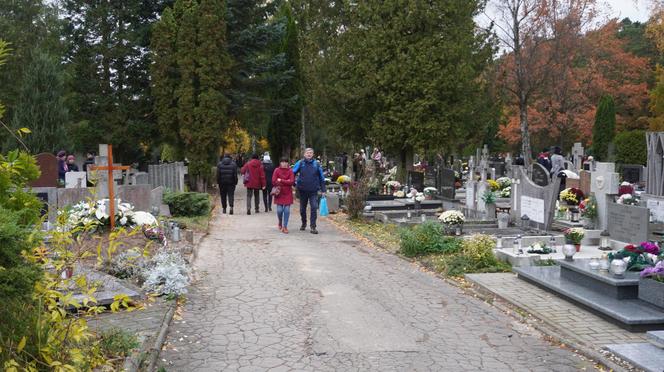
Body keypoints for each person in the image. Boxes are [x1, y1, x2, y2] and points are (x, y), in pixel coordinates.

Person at [293, 148, 325, 234]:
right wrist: (293, 184)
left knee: (314, 207)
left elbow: (322, 178)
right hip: (302, 190)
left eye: (311, 153)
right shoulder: (300, 163)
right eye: (307, 153)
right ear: (304, 154)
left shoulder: (317, 164)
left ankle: (313, 227)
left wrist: (323, 190)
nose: (309, 154)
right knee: (302, 209)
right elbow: (292, 173)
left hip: (313, 190)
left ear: (313, 154)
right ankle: (304, 223)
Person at [272, 157, 295, 233]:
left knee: (287, 210)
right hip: (279, 193)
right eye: (282, 162)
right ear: (280, 163)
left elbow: (291, 182)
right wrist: (286, 181)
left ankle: (285, 227)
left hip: (288, 193)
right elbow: (274, 181)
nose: (284, 164)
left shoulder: (290, 171)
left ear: (288, 163)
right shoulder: (276, 170)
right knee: (279, 211)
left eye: (286, 162)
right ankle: (280, 221)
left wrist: (281, 180)